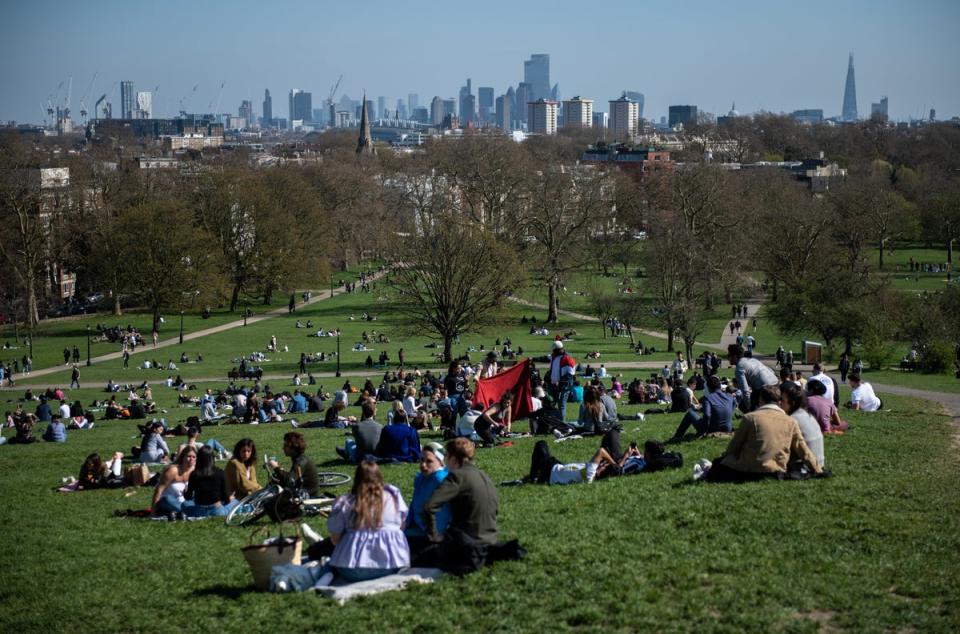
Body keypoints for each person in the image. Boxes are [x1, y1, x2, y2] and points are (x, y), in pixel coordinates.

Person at [700, 385, 822, 483]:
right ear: (778, 401)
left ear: (760, 400)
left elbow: (734, 447)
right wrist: (818, 470)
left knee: (720, 462)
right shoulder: (791, 421)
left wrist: (725, 458)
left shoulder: (750, 418)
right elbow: (803, 450)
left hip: (748, 470)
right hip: (776, 471)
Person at [319, 461, 410, 582]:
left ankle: (325, 576)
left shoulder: (345, 502)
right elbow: (402, 527)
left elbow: (335, 538)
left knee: (328, 564)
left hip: (351, 569)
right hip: (390, 565)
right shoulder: (394, 497)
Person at [423, 438, 498, 546]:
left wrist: (434, 535)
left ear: (453, 459)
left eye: (446, 457)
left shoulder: (457, 476)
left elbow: (428, 507)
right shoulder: (484, 476)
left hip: (467, 544)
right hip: (490, 541)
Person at [405, 443, 451, 557]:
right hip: (416, 526)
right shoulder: (421, 477)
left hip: (432, 532)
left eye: (429, 461)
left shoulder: (441, 480)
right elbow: (415, 503)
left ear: (440, 462)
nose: (423, 465)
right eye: (421, 460)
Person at [669, 375, 736, 441]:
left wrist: (704, 430)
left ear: (708, 387)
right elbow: (734, 404)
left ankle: (677, 437)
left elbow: (707, 415)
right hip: (727, 428)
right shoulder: (729, 396)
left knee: (690, 413)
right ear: (719, 385)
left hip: (712, 429)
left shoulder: (708, 398)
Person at [184, 446, 239, 517]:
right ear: (212, 459)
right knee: (236, 501)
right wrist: (229, 498)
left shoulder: (194, 474)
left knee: (184, 504)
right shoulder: (220, 473)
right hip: (217, 510)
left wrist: (185, 492)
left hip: (199, 511)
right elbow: (225, 498)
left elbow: (188, 497)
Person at [780, 383, 824, 469]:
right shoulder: (809, 416)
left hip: (803, 467)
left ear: (791, 403)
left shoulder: (791, 420)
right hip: (819, 463)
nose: (780, 403)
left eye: (782, 400)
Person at [728, 344, 777, 412]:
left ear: (735, 356)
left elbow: (745, 391)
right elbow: (770, 370)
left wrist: (750, 408)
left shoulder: (739, 368)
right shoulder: (753, 360)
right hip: (776, 383)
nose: (728, 358)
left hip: (765, 388)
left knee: (743, 405)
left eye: (729, 355)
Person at [268, 431, 320, 497]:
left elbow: (289, 482)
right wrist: (280, 469)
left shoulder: (300, 462)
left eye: (285, 446)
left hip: (308, 496)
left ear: (293, 447)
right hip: (303, 492)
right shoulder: (299, 458)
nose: (283, 448)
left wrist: (276, 467)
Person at [152, 446, 197, 516]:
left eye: (194, 457)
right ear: (183, 457)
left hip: (184, 502)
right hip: (167, 501)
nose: (191, 459)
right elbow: (159, 490)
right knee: (167, 499)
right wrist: (153, 511)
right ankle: (189, 511)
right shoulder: (173, 470)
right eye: (188, 456)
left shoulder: (195, 471)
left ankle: (185, 511)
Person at [548, 340, 576, 421]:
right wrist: (532, 359)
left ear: (558, 350)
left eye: (554, 350)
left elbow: (570, 375)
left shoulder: (567, 359)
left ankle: (562, 422)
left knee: (562, 404)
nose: (553, 352)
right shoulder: (554, 356)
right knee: (553, 402)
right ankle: (555, 420)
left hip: (564, 386)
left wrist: (560, 383)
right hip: (555, 385)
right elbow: (545, 358)